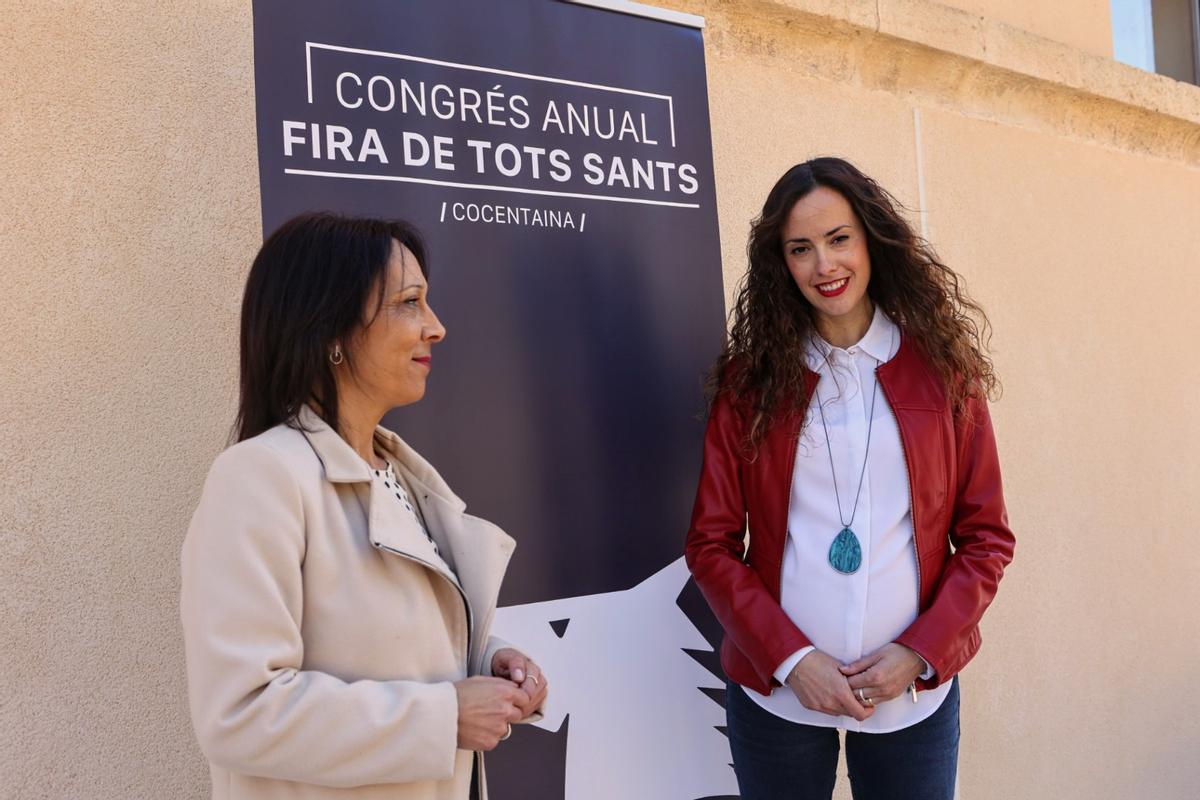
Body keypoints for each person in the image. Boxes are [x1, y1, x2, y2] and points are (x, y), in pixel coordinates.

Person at [181, 212, 548, 800]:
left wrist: (490, 663)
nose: (436, 327)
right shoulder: (259, 478)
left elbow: (389, 647)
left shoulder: (399, 474)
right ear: (330, 329)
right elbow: (240, 711)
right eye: (409, 302)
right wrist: (444, 715)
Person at [684, 157, 1015, 800]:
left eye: (839, 239)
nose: (824, 266)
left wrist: (921, 652)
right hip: (779, 695)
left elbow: (986, 538)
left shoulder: (945, 371)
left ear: (871, 240)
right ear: (782, 263)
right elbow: (711, 545)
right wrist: (790, 660)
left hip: (911, 698)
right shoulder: (750, 383)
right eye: (800, 249)